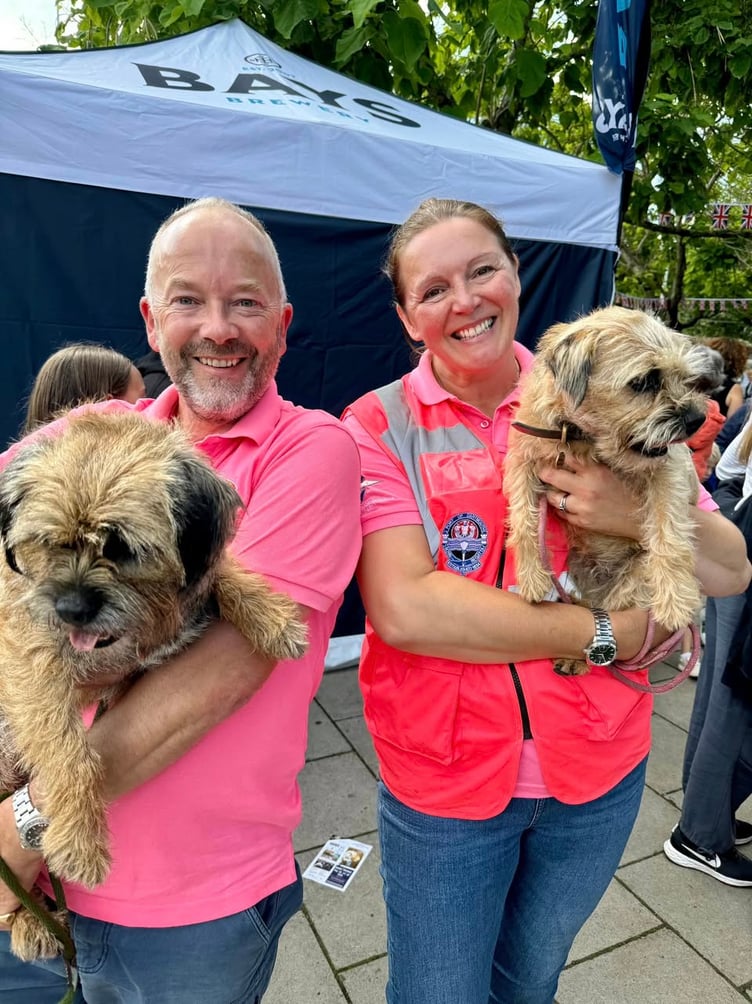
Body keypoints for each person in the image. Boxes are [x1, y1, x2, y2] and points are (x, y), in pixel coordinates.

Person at [341, 198, 750, 1004]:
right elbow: (407, 611)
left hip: (595, 772)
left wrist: (632, 513)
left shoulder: (607, 383)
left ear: (517, 276)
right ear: (405, 316)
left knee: (530, 982)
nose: (464, 300)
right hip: (447, 783)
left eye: (482, 270)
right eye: (433, 288)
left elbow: (732, 567)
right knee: (439, 993)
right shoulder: (377, 425)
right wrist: (610, 632)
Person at [0, 197, 362, 1002]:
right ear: (150, 317)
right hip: (47, 877)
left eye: (245, 302)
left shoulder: (313, 451)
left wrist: (24, 828)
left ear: (283, 322)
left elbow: (214, 680)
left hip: (187, 907)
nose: (218, 328)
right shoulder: (99, 427)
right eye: (188, 299)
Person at [665, 410, 752, 885]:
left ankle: (704, 814)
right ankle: (700, 831)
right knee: (733, 702)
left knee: (721, 695)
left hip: (742, 534)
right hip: (742, 543)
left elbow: (732, 468)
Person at [24, 342, 146, 433]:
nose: (151, 404)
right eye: (143, 398)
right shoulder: (145, 465)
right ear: (108, 407)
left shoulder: (13, 463)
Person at [703, 336, 750, 418]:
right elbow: (732, 424)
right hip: (715, 430)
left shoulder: (696, 380)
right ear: (738, 361)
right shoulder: (734, 389)